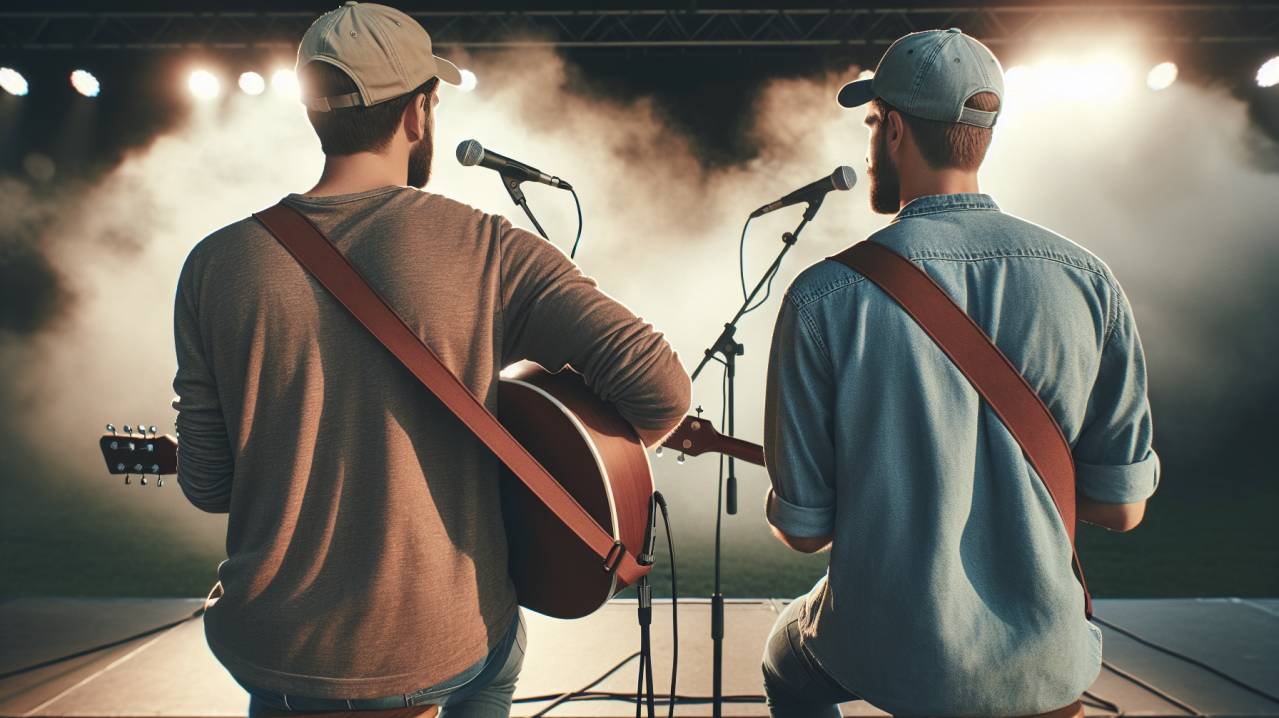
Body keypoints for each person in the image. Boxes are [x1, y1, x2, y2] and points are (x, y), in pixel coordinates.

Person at [170, 3, 691, 717]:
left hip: (277, 650)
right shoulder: (485, 247)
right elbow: (660, 390)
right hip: (444, 641)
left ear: (313, 113)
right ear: (418, 113)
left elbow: (207, 484)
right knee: (497, 658)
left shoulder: (214, 263)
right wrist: (573, 466)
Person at [759, 28, 1159, 718]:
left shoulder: (824, 296)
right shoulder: (1087, 281)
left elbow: (803, 532)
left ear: (891, 132)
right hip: (1042, 665)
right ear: (983, 135)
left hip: (891, 658)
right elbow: (1121, 509)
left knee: (784, 658)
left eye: (871, 122)